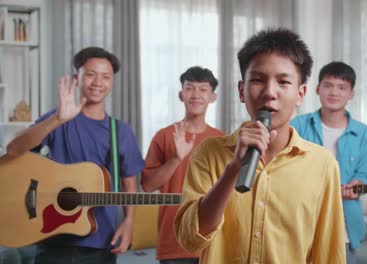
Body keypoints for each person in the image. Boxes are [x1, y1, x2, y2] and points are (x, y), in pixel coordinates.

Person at [173, 28, 346, 264]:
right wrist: (234, 168)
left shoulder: (323, 165)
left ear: (300, 94)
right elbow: (189, 239)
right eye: (257, 80)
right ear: (241, 91)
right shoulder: (209, 153)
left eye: (283, 82)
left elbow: (329, 254)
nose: (269, 93)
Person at [6, 47, 144, 264]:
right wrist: (58, 120)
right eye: (91, 74)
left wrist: (128, 222)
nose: (98, 82)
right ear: (76, 78)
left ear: (112, 83)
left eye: (105, 76)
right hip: (51, 236)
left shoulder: (121, 132)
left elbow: (129, 185)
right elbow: (14, 149)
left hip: (101, 243)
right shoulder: (58, 117)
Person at [290, 61, 367, 263]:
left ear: (351, 94)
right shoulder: (297, 125)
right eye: (328, 85)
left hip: (344, 224)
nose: (334, 92)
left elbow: (363, 176)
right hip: (299, 220)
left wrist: (357, 186)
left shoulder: (365, 134)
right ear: (317, 89)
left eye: (342, 87)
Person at [141, 66, 224, 264]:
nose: (196, 95)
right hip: (173, 244)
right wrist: (176, 159)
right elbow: (148, 186)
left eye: (203, 89)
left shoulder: (222, 141)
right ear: (181, 94)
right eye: (190, 88)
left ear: (213, 97)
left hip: (212, 243)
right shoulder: (163, 136)